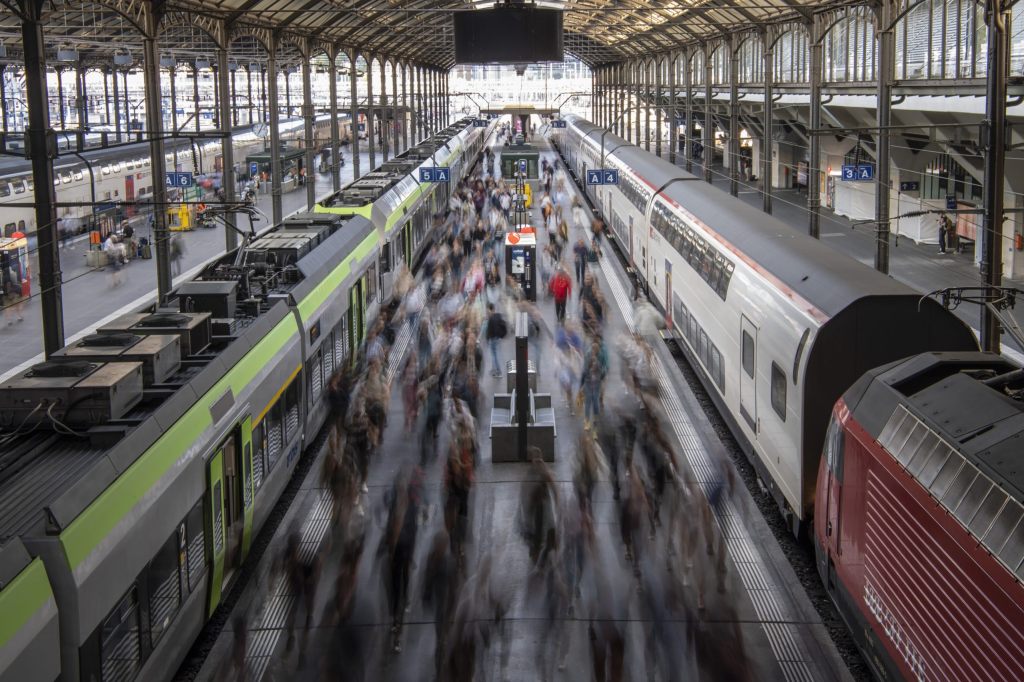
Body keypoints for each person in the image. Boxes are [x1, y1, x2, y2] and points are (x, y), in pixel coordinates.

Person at [484, 303, 507, 377]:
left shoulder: (491, 318)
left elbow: (489, 330)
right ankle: (494, 369)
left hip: (493, 338)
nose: (487, 312)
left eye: (487, 310)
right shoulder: (498, 315)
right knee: (495, 354)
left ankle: (498, 371)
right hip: (497, 338)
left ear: (491, 310)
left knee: (494, 355)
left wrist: (488, 338)